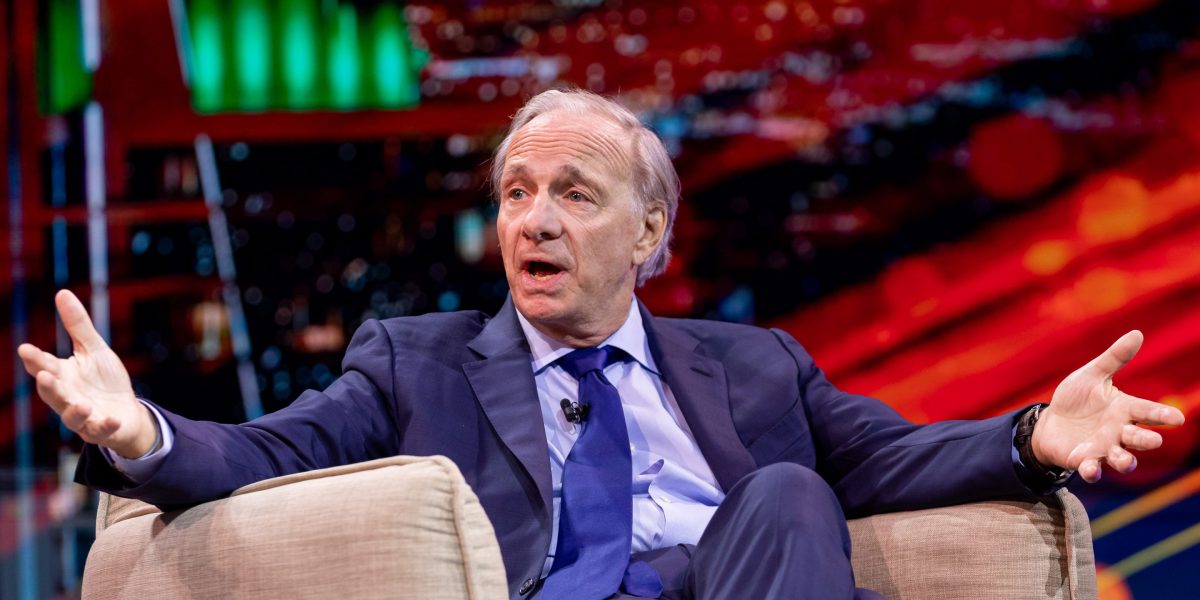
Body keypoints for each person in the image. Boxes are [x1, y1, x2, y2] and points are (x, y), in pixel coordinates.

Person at [18, 89, 1185, 599]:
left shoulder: (757, 365)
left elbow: (885, 461)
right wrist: (141, 433)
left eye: (573, 194)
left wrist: (1035, 435)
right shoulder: (416, 361)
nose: (533, 220)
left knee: (787, 493)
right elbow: (270, 455)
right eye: (515, 193)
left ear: (649, 233)